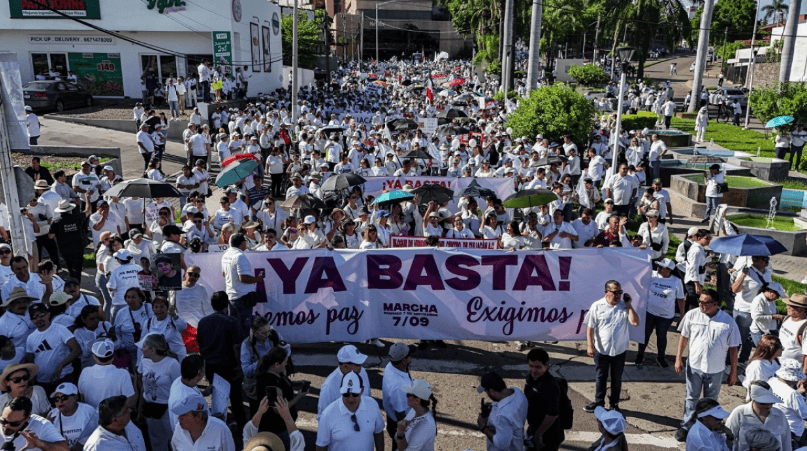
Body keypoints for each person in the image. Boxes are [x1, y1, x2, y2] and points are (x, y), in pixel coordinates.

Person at [674, 289, 741, 442]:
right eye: (700, 301)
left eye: (704, 303)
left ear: (715, 304)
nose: (700, 305)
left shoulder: (728, 322)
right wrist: (678, 359)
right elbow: (683, 338)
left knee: (711, 400)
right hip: (695, 366)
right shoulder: (692, 315)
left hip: (716, 369)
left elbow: (733, 349)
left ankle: (708, 426)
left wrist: (733, 372)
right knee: (691, 398)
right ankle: (687, 426)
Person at [584, 280, 640, 412]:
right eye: (614, 292)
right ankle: (599, 403)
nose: (618, 295)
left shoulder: (624, 306)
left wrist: (629, 304)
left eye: (620, 292)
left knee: (617, 379)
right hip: (601, 350)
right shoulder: (597, 306)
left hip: (619, 351)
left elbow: (635, 322)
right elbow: (590, 327)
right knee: (600, 378)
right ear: (606, 292)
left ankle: (614, 404)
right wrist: (589, 345)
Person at [196, 291, 247, 429]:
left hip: (212, 368)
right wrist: (240, 369)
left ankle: (217, 429)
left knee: (218, 401)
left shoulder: (203, 322)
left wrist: (205, 367)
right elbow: (237, 348)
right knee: (236, 400)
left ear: (212, 305)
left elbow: (200, 347)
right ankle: (244, 432)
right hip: (230, 368)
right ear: (227, 306)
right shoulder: (232, 322)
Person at [315, 371, 385, 451]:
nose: (350, 399)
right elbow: (321, 447)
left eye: (355, 394)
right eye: (346, 394)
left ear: (361, 390)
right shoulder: (327, 415)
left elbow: (378, 432)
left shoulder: (372, 405)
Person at [254, 347, 307, 451]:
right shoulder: (271, 384)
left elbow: (283, 382)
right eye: (284, 362)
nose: (286, 364)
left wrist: (297, 383)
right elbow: (278, 409)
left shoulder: (276, 373)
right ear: (276, 364)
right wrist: (298, 397)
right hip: (277, 428)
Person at [636, 258, 684, 367]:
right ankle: (640, 355)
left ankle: (661, 357)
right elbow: (639, 275)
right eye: (658, 266)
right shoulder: (652, 275)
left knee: (661, 336)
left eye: (660, 267)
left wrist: (682, 314)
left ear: (668, 270)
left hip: (666, 316)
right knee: (645, 335)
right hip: (649, 312)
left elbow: (680, 299)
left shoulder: (676, 281)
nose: (657, 268)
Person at [137, 334, 180, 451]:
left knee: (175, 440)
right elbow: (143, 386)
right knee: (156, 442)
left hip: (168, 410)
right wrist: (140, 408)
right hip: (150, 408)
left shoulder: (172, 364)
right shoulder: (144, 361)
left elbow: (180, 388)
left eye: (144, 346)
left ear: (152, 349)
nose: (142, 349)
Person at [24, 303, 80, 393]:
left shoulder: (61, 329)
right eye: (34, 317)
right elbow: (31, 362)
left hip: (63, 378)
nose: (38, 319)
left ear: (48, 314)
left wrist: (61, 366)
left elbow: (77, 350)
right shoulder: (30, 338)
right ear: (31, 320)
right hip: (42, 382)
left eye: (41, 314)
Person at [726, 381, 792, 451]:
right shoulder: (739, 413)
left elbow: (786, 443)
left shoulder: (780, 415)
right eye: (763, 403)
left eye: (771, 402)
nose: (768, 406)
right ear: (752, 399)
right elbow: (726, 439)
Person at [221, 233, 264, 337]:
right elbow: (243, 278)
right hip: (242, 298)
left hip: (231, 297)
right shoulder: (240, 256)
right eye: (245, 242)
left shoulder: (226, 254)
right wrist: (258, 279)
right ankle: (243, 352)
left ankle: (235, 352)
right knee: (244, 330)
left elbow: (224, 274)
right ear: (242, 243)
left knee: (234, 330)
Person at [476, 371, 528, 451]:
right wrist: (493, 408)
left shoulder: (502, 416)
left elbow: (501, 443)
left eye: (486, 391)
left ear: (492, 391)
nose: (487, 394)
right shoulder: (518, 393)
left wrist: (483, 427)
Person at [524, 348, 564, 451]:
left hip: (548, 437)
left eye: (538, 367)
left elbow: (552, 415)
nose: (533, 371)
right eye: (531, 366)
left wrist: (538, 435)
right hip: (534, 430)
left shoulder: (550, 386)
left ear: (546, 365)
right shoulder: (531, 378)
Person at [77, 339, 136, 409]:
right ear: (113, 355)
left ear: (94, 356)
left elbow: (82, 398)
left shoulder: (85, 372)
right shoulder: (123, 374)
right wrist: (135, 382)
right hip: (114, 418)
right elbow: (131, 403)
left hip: (91, 417)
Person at [318, 345, 372, 419]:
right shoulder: (329, 386)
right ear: (345, 366)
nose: (360, 367)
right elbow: (323, 417)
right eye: (357, 364)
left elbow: (368, 398)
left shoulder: (362, 372)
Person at [0, 397, 68, 451]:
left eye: (14, 424)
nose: (6, 426)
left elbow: (64, 449)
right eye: (3, 421)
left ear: (27, 418)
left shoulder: (42, 425)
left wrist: (40, 444)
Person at [46, 382, 98, 451]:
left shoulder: (89, 411)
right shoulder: (52, 415)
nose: (60, 402)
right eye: (56, 399)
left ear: (75, 397)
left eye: (64, 398)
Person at [383, 342, 415, 450]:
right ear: (403, 361)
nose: (411, 356)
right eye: (409, 355)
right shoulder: (399, 386)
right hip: (401, 424)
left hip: (392, 420)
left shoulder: (390, 366)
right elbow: (400, 414)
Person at [768, 358, 807, 445]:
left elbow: (785, 399)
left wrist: (799, 392)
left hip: (772, 425)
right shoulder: (793, 395)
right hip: (791, 433)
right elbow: (805, 415)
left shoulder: (771, 382)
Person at [395, 379, 437, 451]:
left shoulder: (425, 425)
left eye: (408, 395)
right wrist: (400, 434)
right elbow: (397, 438)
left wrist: (401, 434)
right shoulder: (414, 411)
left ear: (417, 400)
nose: (406, 397)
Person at [779, 295, 807, 373]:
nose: (788, 307)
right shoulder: (787, 318)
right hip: (778, 363)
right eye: (788, 304)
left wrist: (804, 374)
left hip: (793, 370)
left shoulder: (805, 327)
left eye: (792, 306)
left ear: (802, 310)